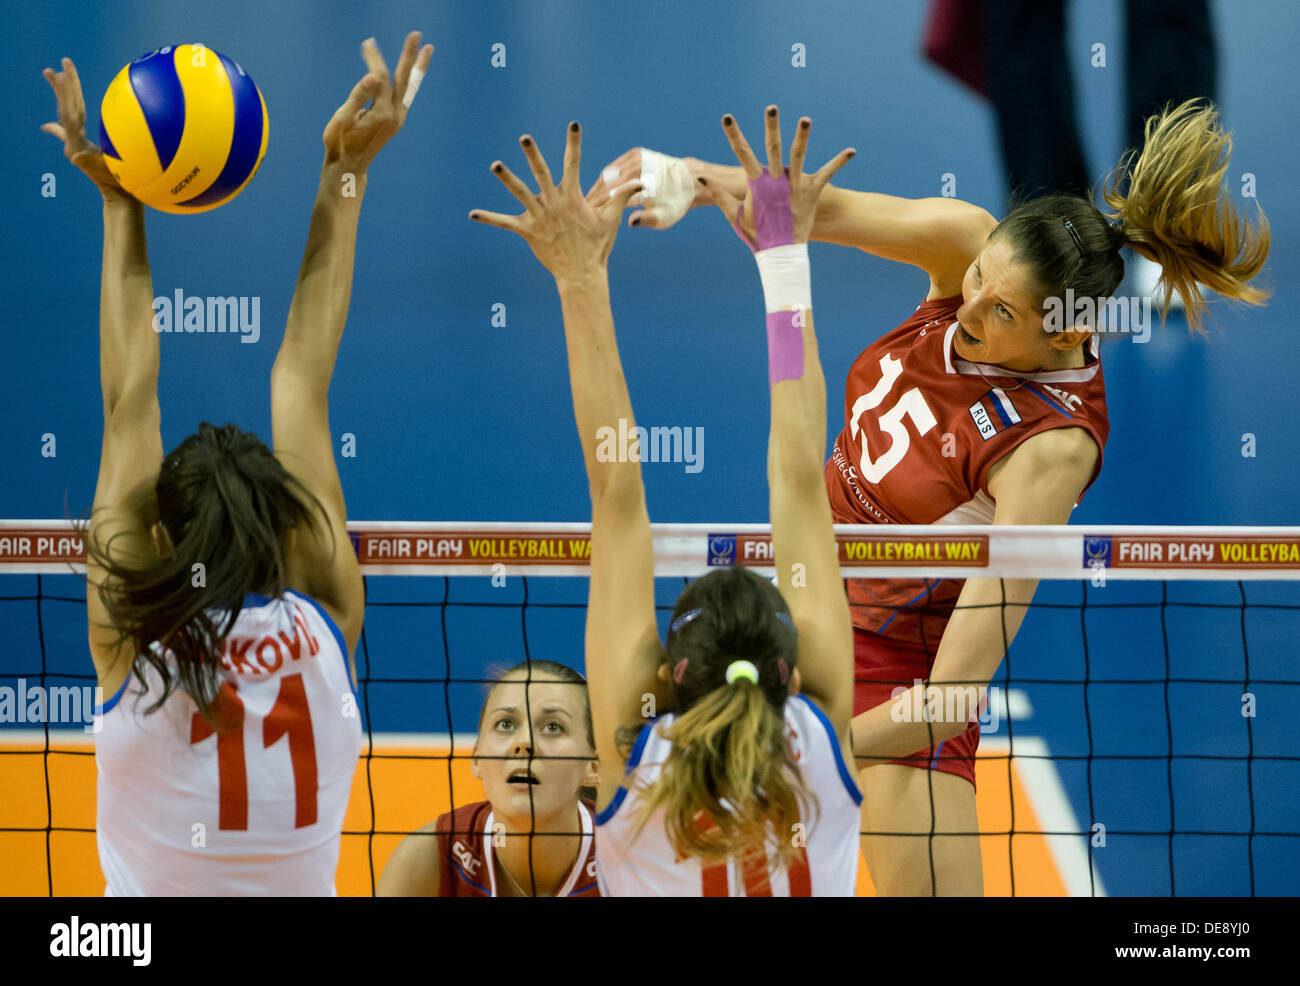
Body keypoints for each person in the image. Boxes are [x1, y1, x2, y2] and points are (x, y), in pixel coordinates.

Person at [593, 96, 1269, 895]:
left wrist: (817, 741)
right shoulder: (964, 243)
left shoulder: (1050, 448)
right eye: (981, 278)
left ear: (1067, 335)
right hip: (800, 599)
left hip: (900, 679)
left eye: (1001, 311)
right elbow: (809, 210)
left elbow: (950, 698)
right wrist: (693, 179)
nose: (971, 308)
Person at [42, 32, 433, 896]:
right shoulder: (326, 623)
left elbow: (127, 397)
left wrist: (121, 200)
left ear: (156, 529)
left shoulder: (133, 639)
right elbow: (301, 372)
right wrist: (346, 172)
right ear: (290, 528)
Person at [470, 109, 862, 895]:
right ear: (790, 669)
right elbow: (796, 472)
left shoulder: (632, 750)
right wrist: (782, 251)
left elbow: (619, 494)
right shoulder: (817, 727)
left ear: (671, 670)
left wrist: (577, 274)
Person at [378, 661, 600, 896]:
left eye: (553, 727)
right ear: (476, 758)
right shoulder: (428, 858)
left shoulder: (627, 862)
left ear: (593, 768)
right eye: (505, 723)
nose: (524, 743)